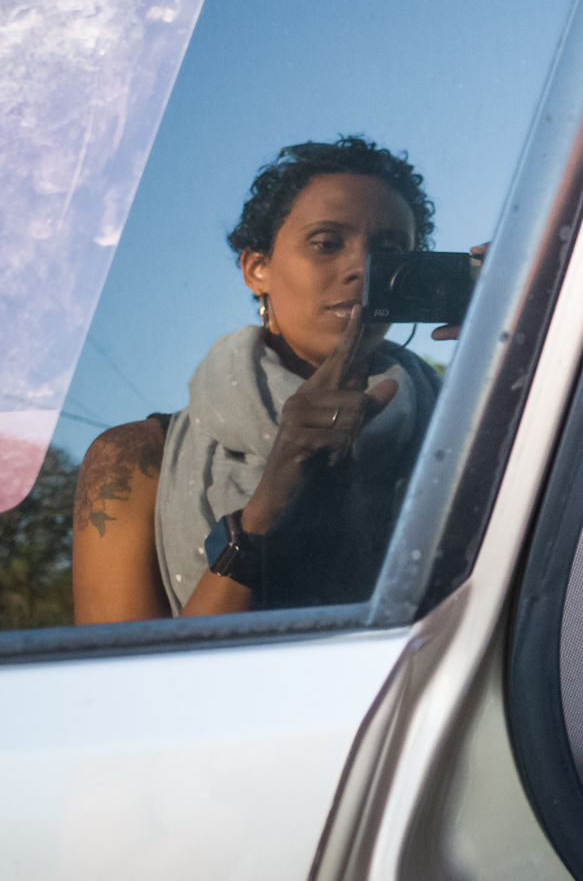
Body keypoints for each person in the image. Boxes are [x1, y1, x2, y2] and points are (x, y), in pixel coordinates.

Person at [72, 136, 444, 622]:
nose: (361, 268)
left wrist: (537, 326)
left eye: (390, 251)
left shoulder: (465, 432)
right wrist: (268, 505)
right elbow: (123, 689)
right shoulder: (135, 462)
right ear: (257, 268)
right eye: (327, 243)